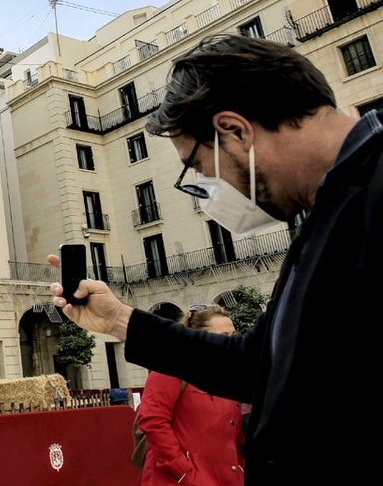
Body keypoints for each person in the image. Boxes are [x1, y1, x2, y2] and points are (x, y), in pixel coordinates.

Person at [50, 34, 378, 483]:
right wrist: (120, 321)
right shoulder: (322, 212)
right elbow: (256, 364)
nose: (208, 193)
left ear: (235, 130)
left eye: (200, 168)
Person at [137, 305, 244, 485]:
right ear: (198, 337)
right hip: (180, 478)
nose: (231, 343)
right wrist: (183, 471)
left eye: (233, 336)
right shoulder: (170, 367)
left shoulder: (228, 375)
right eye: (223, 337)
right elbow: (153, 420)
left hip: (226, 476)